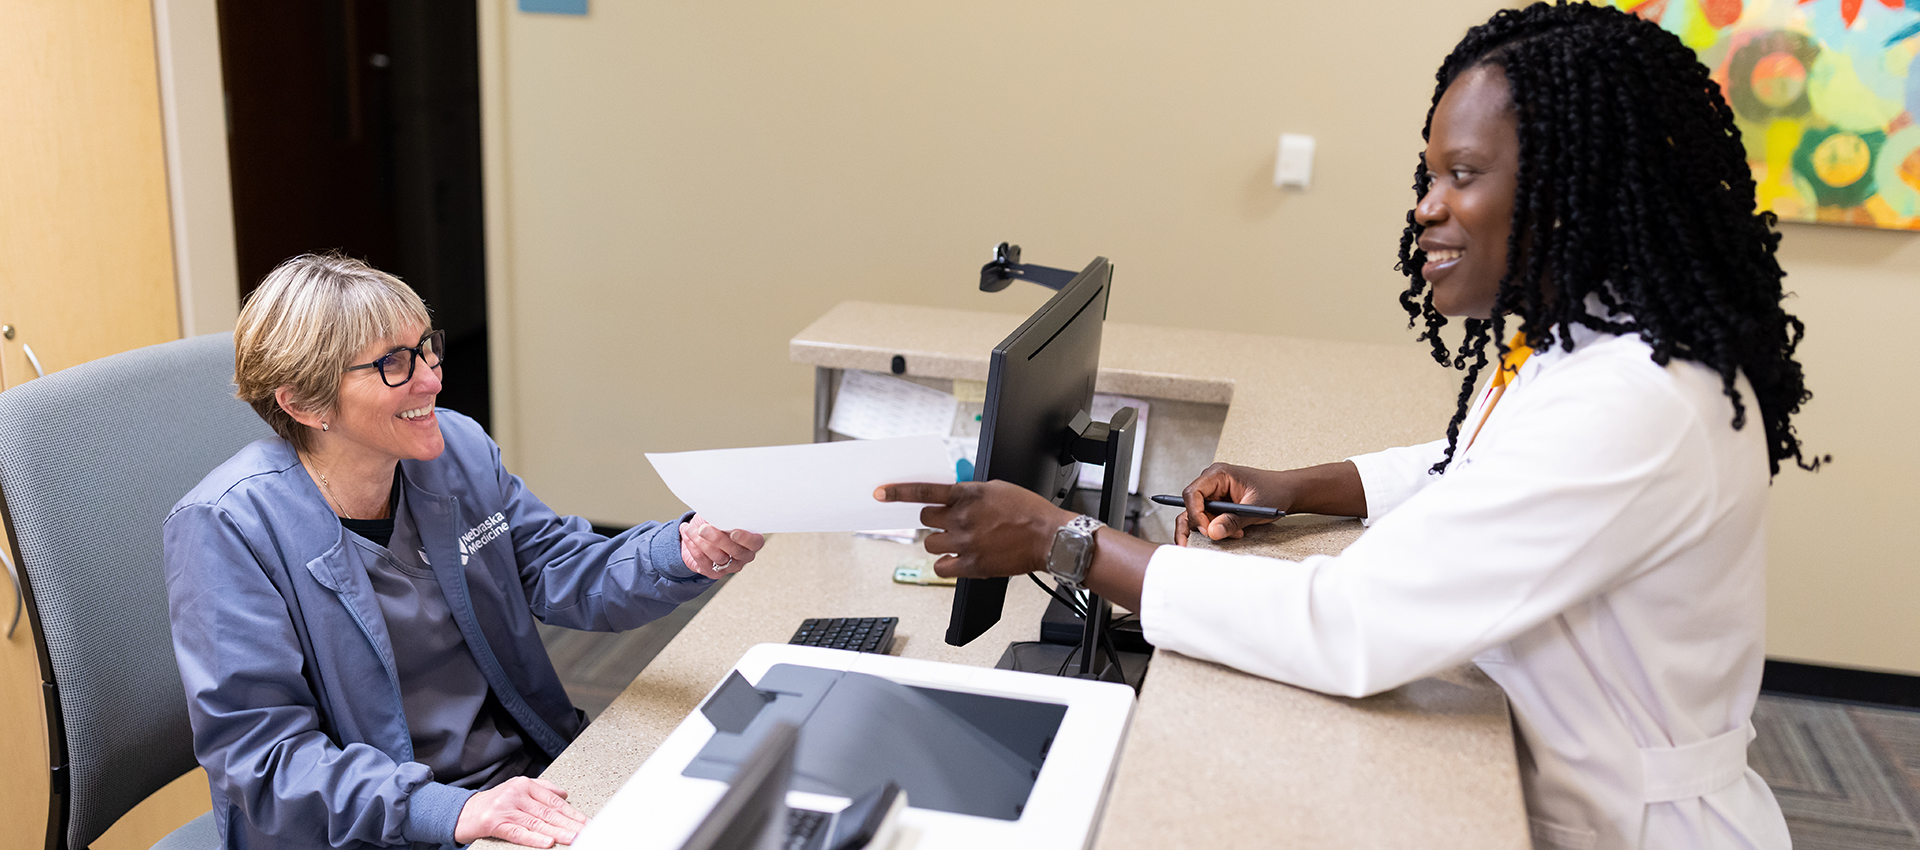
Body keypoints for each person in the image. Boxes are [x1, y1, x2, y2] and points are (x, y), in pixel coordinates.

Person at [876, 4, 1822, 848]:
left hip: (1630, 823)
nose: (1427, 206)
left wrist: (1067, 543)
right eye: (1429, 173)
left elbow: (1352, 627)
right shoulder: (1588, 340)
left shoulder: (1638, 398)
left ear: (1576, 190)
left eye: (1463, 175)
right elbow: (1480, 467)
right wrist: (1296, 489)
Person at [165, 254, 766, 850]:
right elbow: (265, 757)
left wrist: (683, 550)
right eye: (393, 365)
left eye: (426, 348)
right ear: (302, 403)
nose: (431, 379)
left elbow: (557, 568)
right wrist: (449, 809)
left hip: (519, 783)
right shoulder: (226, 527)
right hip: (381, 827)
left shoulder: (457, 450)